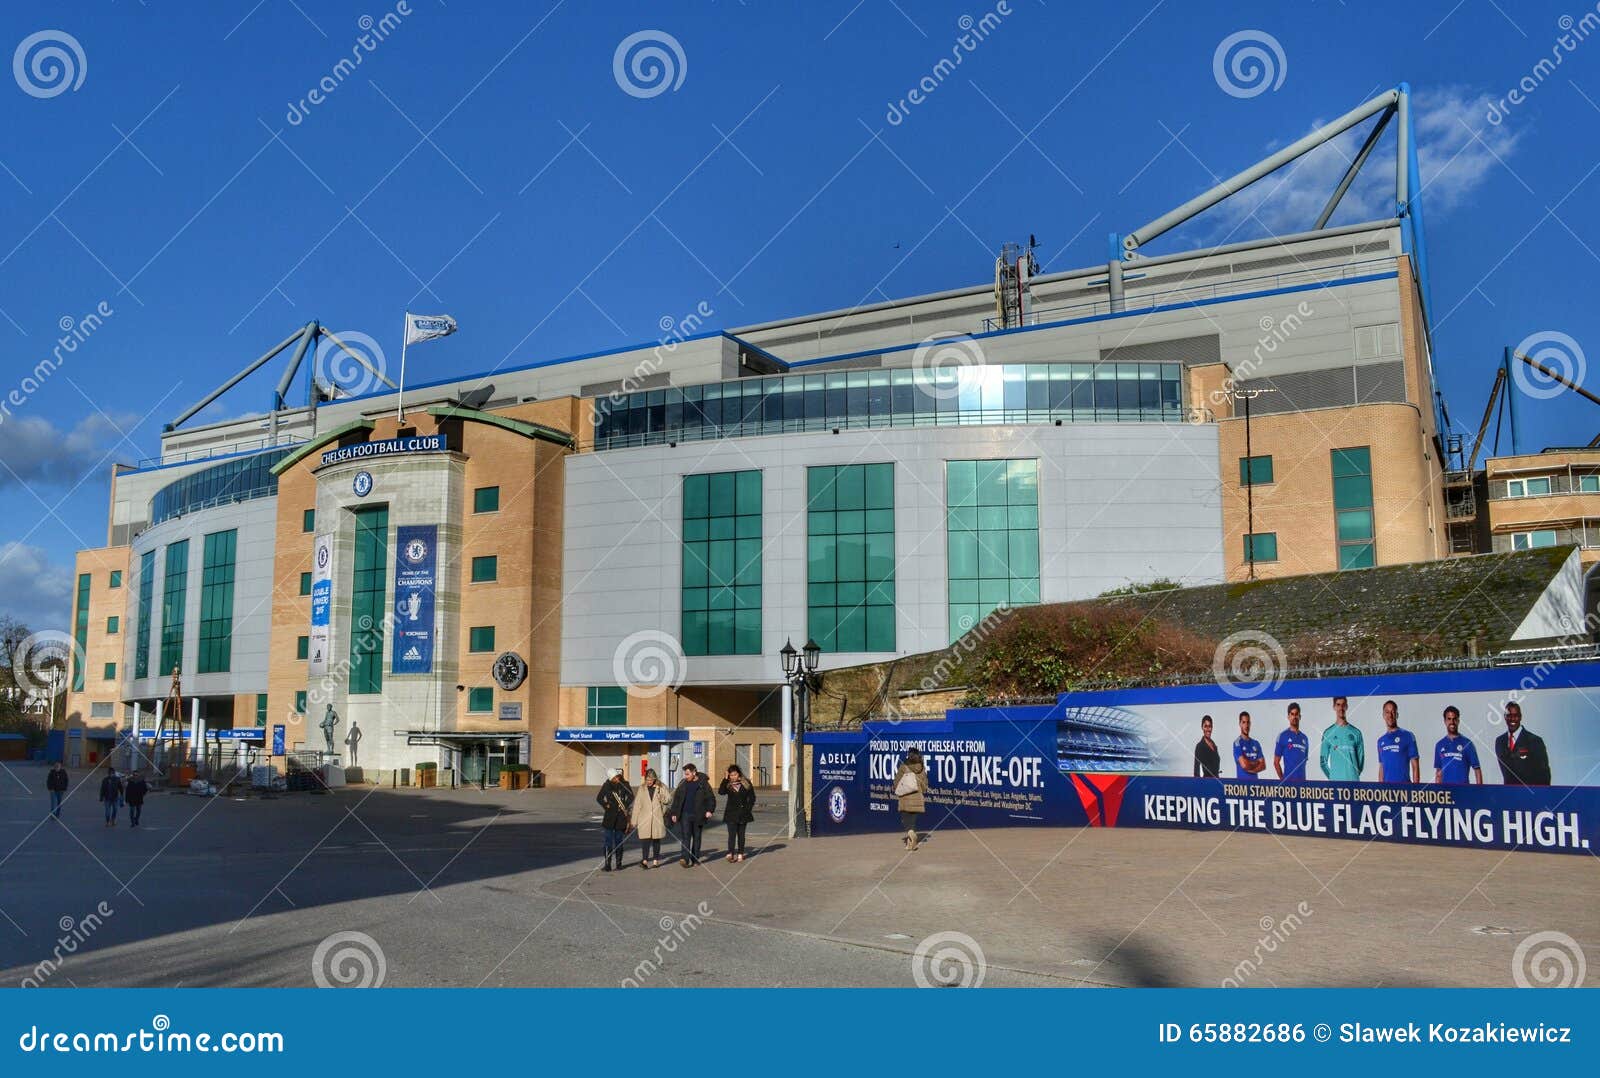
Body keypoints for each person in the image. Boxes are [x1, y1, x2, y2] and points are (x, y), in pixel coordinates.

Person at [667, 764, 716, 867]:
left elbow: (711, 798)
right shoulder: (683, 783)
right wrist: (674, 813)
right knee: (686, 837)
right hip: (685, 814)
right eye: (685, 774)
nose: (686, 776)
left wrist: (709, 810)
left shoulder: (703, 784)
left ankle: (695, 858)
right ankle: (684, 859)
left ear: (694, 772)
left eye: (688, 774)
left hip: (699, 815)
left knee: (697, 837)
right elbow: (677, 799)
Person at [1495, 702, 1552, 786]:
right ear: (1505, 717)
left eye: (1516, 715)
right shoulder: (1500, 741)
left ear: (1520, 717)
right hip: (1508, 794)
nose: (1513, 719)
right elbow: (1507, 768)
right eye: (1509, 715)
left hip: (1530, 795)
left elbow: (1545, 775)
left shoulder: (1535, 741)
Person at [891, 748, 931, 851]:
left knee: (905, 820)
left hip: (905, 798)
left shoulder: (903, 767)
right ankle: (911, 844)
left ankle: (911, 834)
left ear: (909, 756)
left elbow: (896, 783)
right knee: (912, 821)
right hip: (917, 798)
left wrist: (897, 789)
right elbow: (925, 785)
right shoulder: (922, 768)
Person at [632, 768, 671, 869]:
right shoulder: (642, 788)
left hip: (657, 817)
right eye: (647, 780)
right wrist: (634, 820)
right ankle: (644, 861)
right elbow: (637, 804)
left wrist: (661, 797)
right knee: (645, 840)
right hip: (644, 818)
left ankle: (655, 861)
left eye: (650, 780)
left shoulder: (661, 787)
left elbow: (668, 799)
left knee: (656, 840)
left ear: (654, 779)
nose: (648, 782)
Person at [596, 769, 634, 872]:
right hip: (609, 817)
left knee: (619, 841)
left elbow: (631, 796)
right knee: (608, 842)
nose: (616, 779)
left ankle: (619, 864)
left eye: (617, 776)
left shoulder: (625, 784)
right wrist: (606, 805)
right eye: (614, 778)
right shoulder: (607, 785)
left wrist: (624, 805)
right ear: (610, 778)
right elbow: (599, 798)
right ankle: (607, 864)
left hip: (621, 817)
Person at [1319, 695, 1364, 781]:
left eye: (1343, 705)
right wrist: (1333, 778)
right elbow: (1323, 762)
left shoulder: (1356, 733)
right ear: (1334, 707)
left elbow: (1361, 760)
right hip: (1336, 785)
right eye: (1338, 705)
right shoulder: (1328, 733)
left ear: (1346, 706)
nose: (1341, 708)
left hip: (1353, 783)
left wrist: (1353, 775)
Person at [1434, 706, 1483, 785]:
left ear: (1458, 721)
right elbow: (1438, 772)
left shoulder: (1467, 743)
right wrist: (1437, 791)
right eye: (1449, 719)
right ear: (1445, 721)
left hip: (1463, 791)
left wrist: (1479, 792)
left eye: (1454, 719)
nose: (1452, 722)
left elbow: (1477, 770)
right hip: (1446, 793)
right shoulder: (1439, 745)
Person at [718, 764, 757, 863]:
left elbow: (752, 797)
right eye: (731, 775)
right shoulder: (728, 784)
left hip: (743, 813)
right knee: (731, 835)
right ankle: (730, 853)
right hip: (731, 813)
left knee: (741, 835)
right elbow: (721, 792)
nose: (733, 777)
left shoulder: (746, 783)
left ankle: (740, 853)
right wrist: (725, 779)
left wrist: (748, 809)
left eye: (734, 775)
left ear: (738, 774)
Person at [1374, 699, 1419, 784]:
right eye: (1387, 712)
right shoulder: (1380, 741)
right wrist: (1380, 788)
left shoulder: (1408, 736)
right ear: (1383, 715)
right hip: (1387, 791)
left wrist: (1415, 789)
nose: (1390, 715)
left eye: (1393, 712)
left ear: (1397, 715)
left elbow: (1415, 764)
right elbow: (1381, 767)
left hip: (1404, 789)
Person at [1274, 702, 1309, 782]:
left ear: (1300, 717)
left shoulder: (1305, 738)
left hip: (1303, 784)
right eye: (1292, 714)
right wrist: (1283, 780)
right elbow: (1276, 762)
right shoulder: (1282, 736)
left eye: (1296, 714)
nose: (1294, 717)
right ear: (1288, 717)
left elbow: (1304, 762)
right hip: (1289, 784)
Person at [1233, 712, 1266, 780]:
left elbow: (1263, 765)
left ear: (1250, 724)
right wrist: (1257, 762)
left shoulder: (1256, 743)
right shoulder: (1237, 743)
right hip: (1242, 786)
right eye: (1244, 722)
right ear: (1240, 724)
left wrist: (1251, 768)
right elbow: (1244, 765)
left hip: (1255, 785)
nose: (1246, 725)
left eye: (1248, 722)